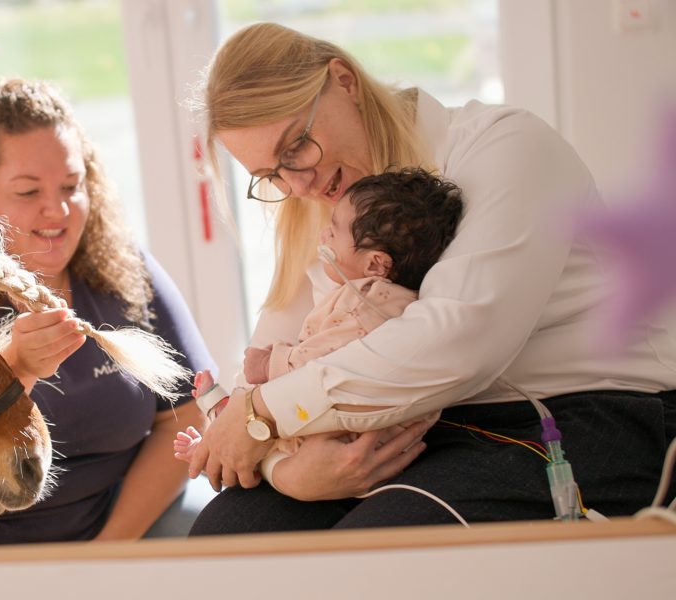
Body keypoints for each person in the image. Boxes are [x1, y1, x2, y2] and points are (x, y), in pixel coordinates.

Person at [186, 22, 676, 535]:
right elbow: (258, 380)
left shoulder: (508, 147)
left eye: (297, 147)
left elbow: (455, 343)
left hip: (579, 414)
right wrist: (286, 472)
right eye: (271, 176)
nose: (299, 183)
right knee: (224, 536)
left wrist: (263, 415)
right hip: (421, 429)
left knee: (382, 547)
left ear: (344, 80)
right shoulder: (324, 210)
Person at [0, 78, 213, 545]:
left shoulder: (123, 271)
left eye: (72, 186)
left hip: (120, 529)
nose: (57, 210)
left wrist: (111, 548)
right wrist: (16, 368)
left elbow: (188, 415)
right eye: (27, 191)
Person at [174, 168, 462, 493]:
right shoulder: (382, 299)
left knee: (277, 431)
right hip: (357, 432)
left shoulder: (365, 304)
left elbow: (322, 362)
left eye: (334, 232)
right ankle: (221, 429)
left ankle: (219, 431)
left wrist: (269, 363)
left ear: (374, 264)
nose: (323, 235)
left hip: (346, 439)